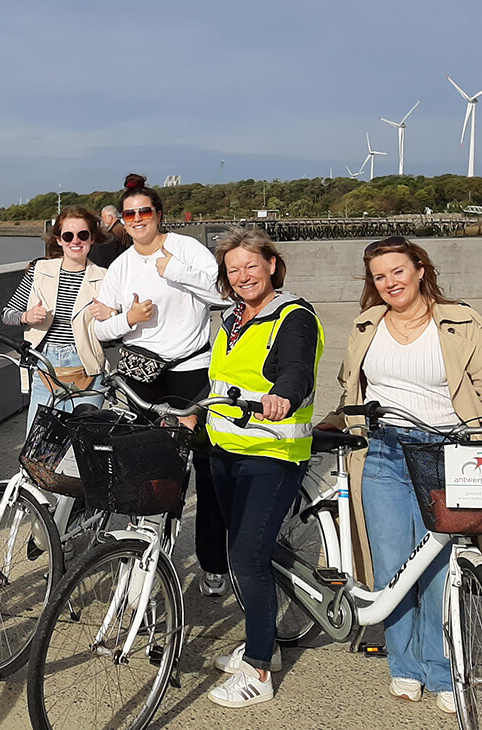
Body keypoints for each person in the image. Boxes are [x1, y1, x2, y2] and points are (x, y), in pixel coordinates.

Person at [320, 236, 482, 714]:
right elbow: (352, 387)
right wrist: (332, 421)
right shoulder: (367, 324)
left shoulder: (460, 321)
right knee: (394, 567)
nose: (389, 283)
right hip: (382, 453)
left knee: (441, 568)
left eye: (397, 271)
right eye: (379, 276)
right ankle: (404, 666)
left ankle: (441, 667)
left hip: (447, 455)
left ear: (420, 270)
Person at [89, 173, 231, 597]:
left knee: (202, 468)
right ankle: (144, 557)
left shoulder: (187, 250)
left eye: (143, 212)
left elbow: (224, 296)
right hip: (140, 373)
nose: (136, 219)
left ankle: (212, 561)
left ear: (158, 215)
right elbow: (101, 329)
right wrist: (129, 320)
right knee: (146, 470)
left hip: (190, 370)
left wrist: (177, 272)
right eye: (129, 214)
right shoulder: (121, 265)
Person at [204, 227, 322, 709]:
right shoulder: (233, 317)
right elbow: (221, 377)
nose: (243, 276)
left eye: (251, 265)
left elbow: (296, 369)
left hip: (271, 453)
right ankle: (264, 639)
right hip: (223, 449)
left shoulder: (293, 316)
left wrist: (284, 397)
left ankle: (258, 670)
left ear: (272, 265)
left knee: (248, 558)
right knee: (244, 551)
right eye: (233, 269)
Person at [0, 206, 107, 426]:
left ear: (92, 239)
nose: (75, 241)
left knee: (84, 450)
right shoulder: (39, 270)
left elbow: (116, 331)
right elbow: (7, 315)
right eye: (68, 235)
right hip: (45, 368)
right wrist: (27, 317)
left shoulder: (106, 278)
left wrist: (110, 315)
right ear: (58, 240)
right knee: (37, 450)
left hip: (89, 370)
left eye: (82, 235)